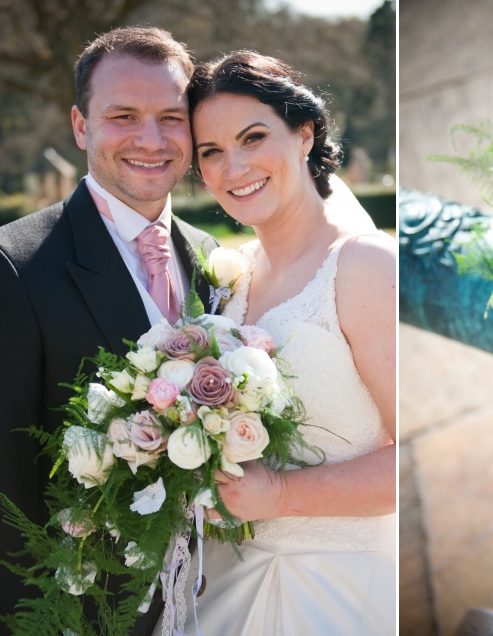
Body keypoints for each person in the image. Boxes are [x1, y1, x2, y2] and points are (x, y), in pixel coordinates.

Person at [0, 28, 219, 636]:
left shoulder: (213, 259)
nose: (151, 139)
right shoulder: (9, 266)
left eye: (171, 117)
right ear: (82, 127)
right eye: (123, 116)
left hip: (214, 604)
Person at [157, 51, 397, 635]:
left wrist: (280, 493)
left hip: (334, 588)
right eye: (211, 152)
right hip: (224, 578)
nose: (233, 168)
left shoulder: (364, 266)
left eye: (253, 137)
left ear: (304, 133)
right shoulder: (231, 278)